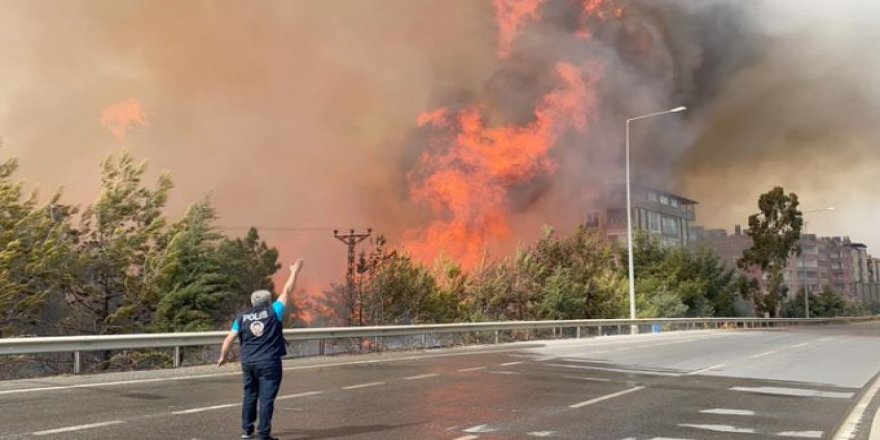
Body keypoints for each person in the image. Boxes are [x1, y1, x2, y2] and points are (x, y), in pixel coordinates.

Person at [219, 259, 303, 440]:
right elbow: (287, 291)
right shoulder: (274, 311)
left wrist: (223, 357)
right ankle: (263, 435)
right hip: (269, 363)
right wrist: (295, 272)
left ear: (252, 302)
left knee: (249, 396)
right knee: (266, 399)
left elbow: (229, 339)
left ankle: (246, 431)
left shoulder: (242, 317)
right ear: (269, 300)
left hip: (248, 363)